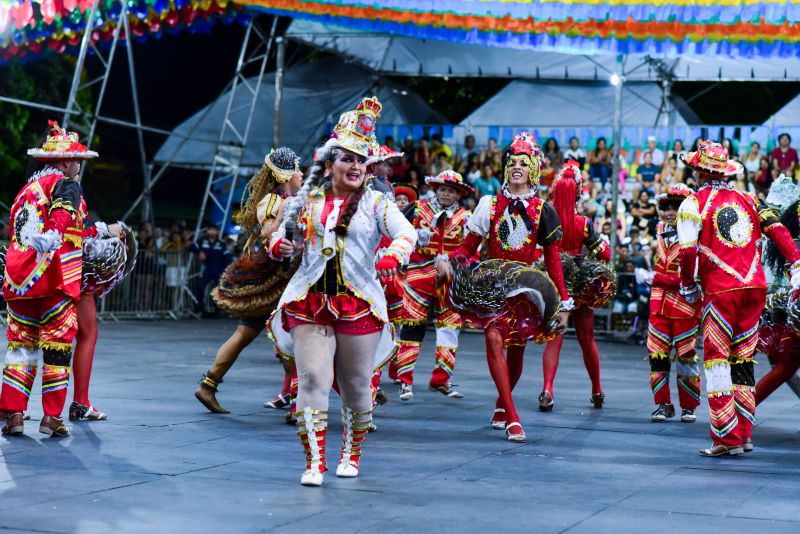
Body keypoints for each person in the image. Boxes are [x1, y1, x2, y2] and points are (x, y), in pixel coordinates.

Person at [269, 97, 416, 486]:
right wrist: (280, 246)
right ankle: (314, 462)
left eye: (361, 160)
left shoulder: (377, 203)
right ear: (330, 161)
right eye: (347, 158)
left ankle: (351, 452)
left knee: (355, 387)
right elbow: (281, 237)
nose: (355, 166)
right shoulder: (308, 200)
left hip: (360, 304)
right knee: (314, 378)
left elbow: (407, 233)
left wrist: (395, 255)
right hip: (309, 300)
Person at [437, 131, 572, 442]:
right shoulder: (489, 204)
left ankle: (502, 403)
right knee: (495, 339)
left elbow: (552, 262)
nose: (517, 167)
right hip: (492, 285)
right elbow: (468, 248)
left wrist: (563, 303)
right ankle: (512, 416)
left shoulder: (542, 210)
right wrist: (449, 259)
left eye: (523, 163)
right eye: (512, 162)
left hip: (525, 290)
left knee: (516, 350)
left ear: (533, 170)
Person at [676, 140, 800, 457]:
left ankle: (725, 437)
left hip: (721, 290)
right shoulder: (749, 199)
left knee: (717, 360)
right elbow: (778, 231)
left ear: (698, 172)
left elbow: (688, 252)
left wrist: (688, 284)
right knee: (743, 361)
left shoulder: (693, 204)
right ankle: (744, 433)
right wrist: (797, 262)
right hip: (754, 287)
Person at [1, 121, 120, 437]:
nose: (79, 166)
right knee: (56, 347)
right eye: (78, 160)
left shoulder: (26, 189)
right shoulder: (65, 184)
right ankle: (51, 416)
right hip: (54, 280)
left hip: (20, 281)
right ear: (67, 160)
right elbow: (63, 215)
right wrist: (55, 231)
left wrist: (96, 231)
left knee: (21, 347)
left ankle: (13, 412)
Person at [192, 148, 303, 416]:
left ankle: (209, 386)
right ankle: (298, 401)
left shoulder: (293, 199)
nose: (303, 174)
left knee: (259, 333)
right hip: (275, 278)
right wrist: (283, 215)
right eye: (299, 170)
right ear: (286, 174)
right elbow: (267, 231)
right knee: (289, 335)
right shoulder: (273, 201)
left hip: (285, 276)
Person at [395, 171, 473, 401]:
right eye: (442, 189)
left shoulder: (466, 217)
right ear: (436, 190)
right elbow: (398, 233)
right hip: (418, 278)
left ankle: (441, 379)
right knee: (412, 327)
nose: (446, 193)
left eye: (450, 190)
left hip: (448, 280)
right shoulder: (417, 209)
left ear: (458, 193)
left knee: (449, 328)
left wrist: (453, 263)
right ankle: (405, 381)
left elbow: (471, 249)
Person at [539, 161, 612, 411]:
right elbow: (605, 255)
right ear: (578, 193)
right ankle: (597, 389)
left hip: (554, 284)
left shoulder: (546, 218)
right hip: (580, 285)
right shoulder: (584, 224)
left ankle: (548, 388)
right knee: (587, 340)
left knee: (555, 337)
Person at [70, 220, 137, 421]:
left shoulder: (30, 195)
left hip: (27, 271)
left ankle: (13, 408)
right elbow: (64, 233)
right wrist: (103, 230)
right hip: (65, 273)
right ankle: (72, 407)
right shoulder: (66, 189)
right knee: (74, 336)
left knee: (27, 337)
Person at [646, 184, 702, 423]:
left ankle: (689, 407)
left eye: (676, 207)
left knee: (686, 356)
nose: (670, 212)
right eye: (667, 207)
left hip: (685, 307)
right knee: (657, 356)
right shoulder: (659, 230)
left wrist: (656, 277)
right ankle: (663, 404)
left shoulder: (696, 236)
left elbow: (691, 277)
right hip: (658, 306)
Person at [190, 224, 231, 313]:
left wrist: (227, 270)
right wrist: (199, 251)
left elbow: (228, 257)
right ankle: (200, 305)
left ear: (217, 232)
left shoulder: (221, 244)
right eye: (210, 230)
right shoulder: (202, 241)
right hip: (207, 270)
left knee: (219, 291)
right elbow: (192, 246)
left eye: (214, 230)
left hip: (219, 270)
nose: (212, 232)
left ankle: (218, 310)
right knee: (200, 286)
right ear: (207, 231)